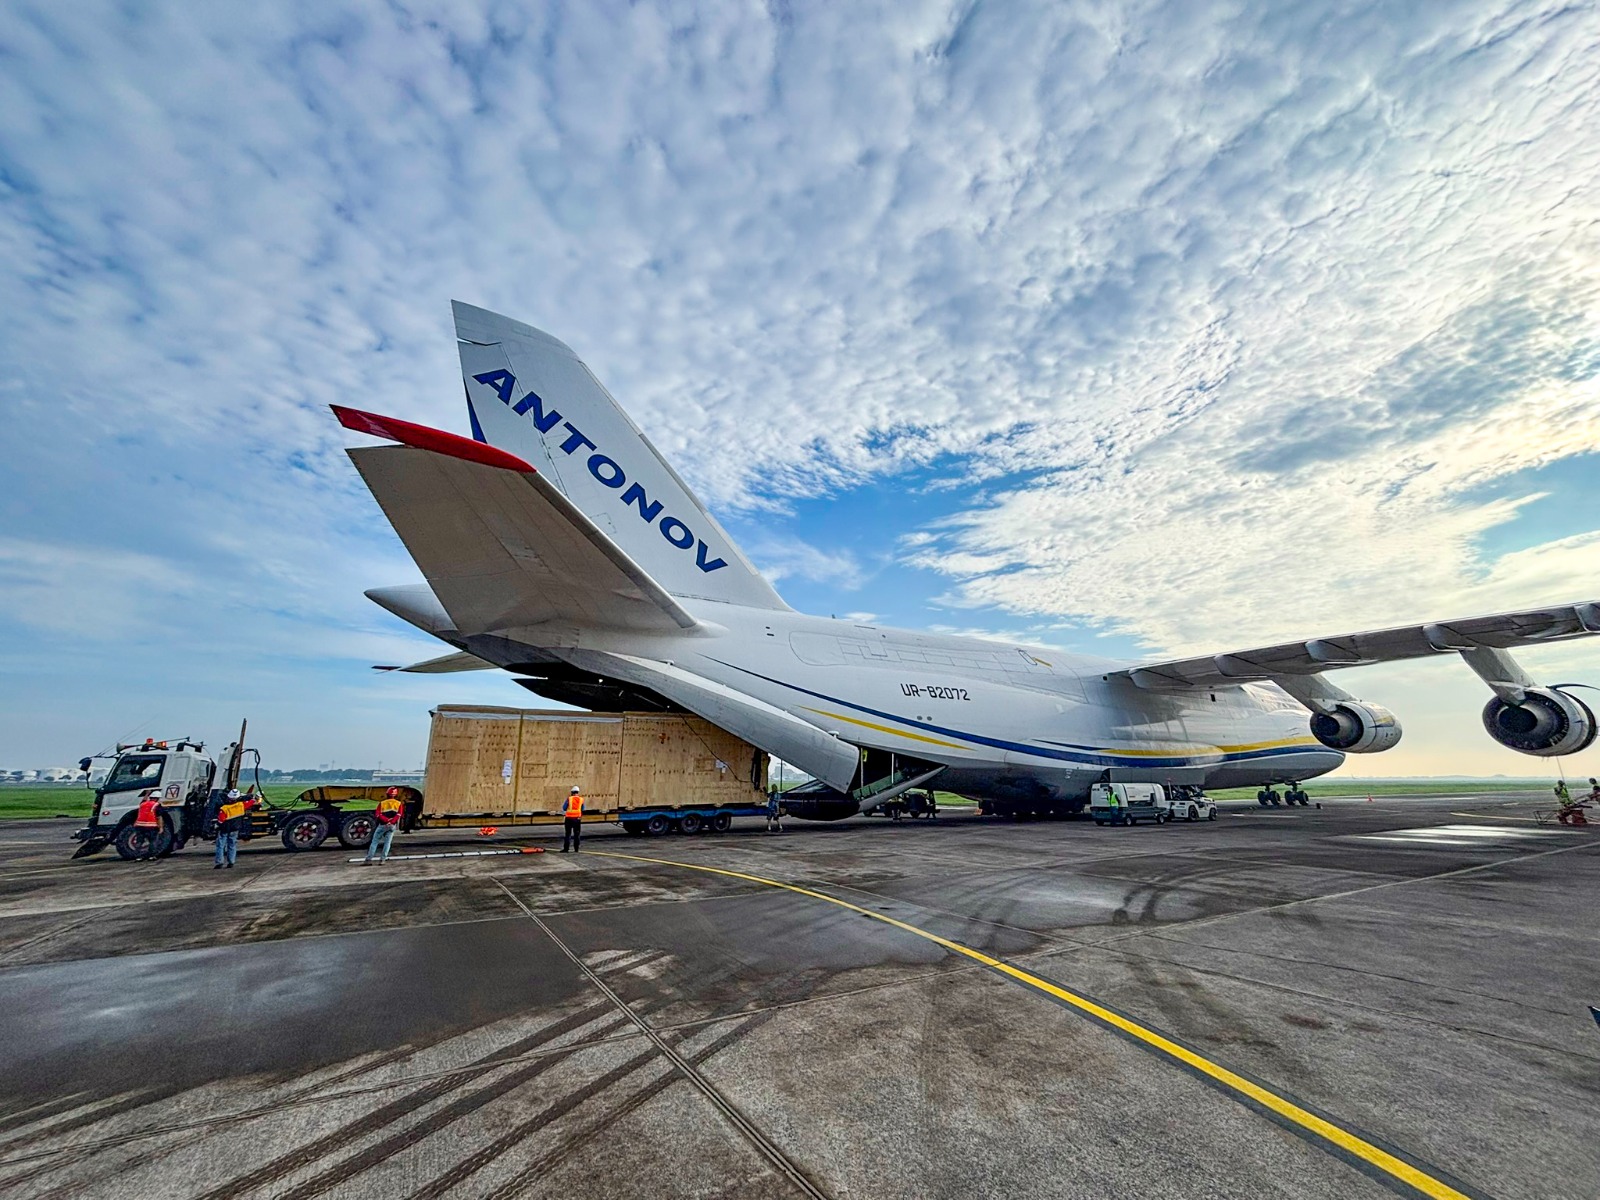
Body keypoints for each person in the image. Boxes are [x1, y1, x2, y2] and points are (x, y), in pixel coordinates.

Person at [213, 789, 260, 869]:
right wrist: (256, 797)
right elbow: (251, 802)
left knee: (221, 845)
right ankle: (231, 862)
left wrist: (216, 825)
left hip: (224, 829)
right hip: (235, 829)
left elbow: (221, 820)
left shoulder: (224, 809)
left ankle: (219, 862)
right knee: (232, 845)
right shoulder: (241, 805)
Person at [364, 787, 404, 865]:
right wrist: (391, 821)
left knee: (374, 842)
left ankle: (368, 860)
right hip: (392, 826)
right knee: (387, 843)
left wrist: (386, 820)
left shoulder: (382, 803)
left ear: (387, 794)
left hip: (382, 825)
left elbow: (378, 814)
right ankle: (382, 860)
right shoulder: (399, 804)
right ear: (395, 795)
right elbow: (399, 814)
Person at [132, 789, 164, 861]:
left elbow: (143, 800)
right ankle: (152, 856)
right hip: (151, 826)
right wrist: (161, 827)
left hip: (139, 826)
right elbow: (159, 817)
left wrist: (147, 793)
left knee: (139, 841)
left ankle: (138, 857)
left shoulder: (142, 804)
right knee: (153, 841)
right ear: (157, 798)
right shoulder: (157, 805)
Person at [561, 785, 584, 852]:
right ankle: (576, 849)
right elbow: (583, 808)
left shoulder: (569, 799)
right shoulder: (581, 800)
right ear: (578, 792)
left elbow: (564, 808)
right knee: (577, 834)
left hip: (569, 819)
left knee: (568, 834)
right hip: (577, 819)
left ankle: (566, 849)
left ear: (572, 792)